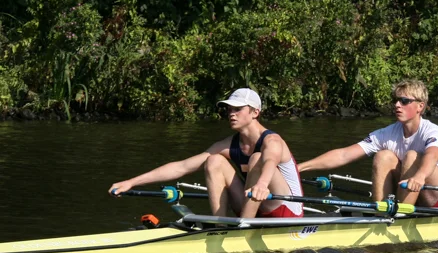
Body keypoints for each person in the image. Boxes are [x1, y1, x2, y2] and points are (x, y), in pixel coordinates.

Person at [109, 88, 304, 218]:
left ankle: (245, 226)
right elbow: (182, 167)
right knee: (213, 161)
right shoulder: (229, 144)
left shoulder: (272, 140)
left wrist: (262, 184)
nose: (231, 113)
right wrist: (131, 182)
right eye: (229, 109)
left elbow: (269, 161)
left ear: (255, 112)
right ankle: (220, 224)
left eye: (237, 109)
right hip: (252, 204)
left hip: (285, 208)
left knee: (257, 158)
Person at [298, 79, 438, 207]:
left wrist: (420, 176)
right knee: (383, 156)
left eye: (404, 101)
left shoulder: (431, 131)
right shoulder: (388, 133)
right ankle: (382, 210)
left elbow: (432, 155)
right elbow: (344, 154)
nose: (397, 105)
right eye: (396, 100)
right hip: (415, 194)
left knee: (412, 156)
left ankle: (401, 214)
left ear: (420, 106)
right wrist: (298, 168)